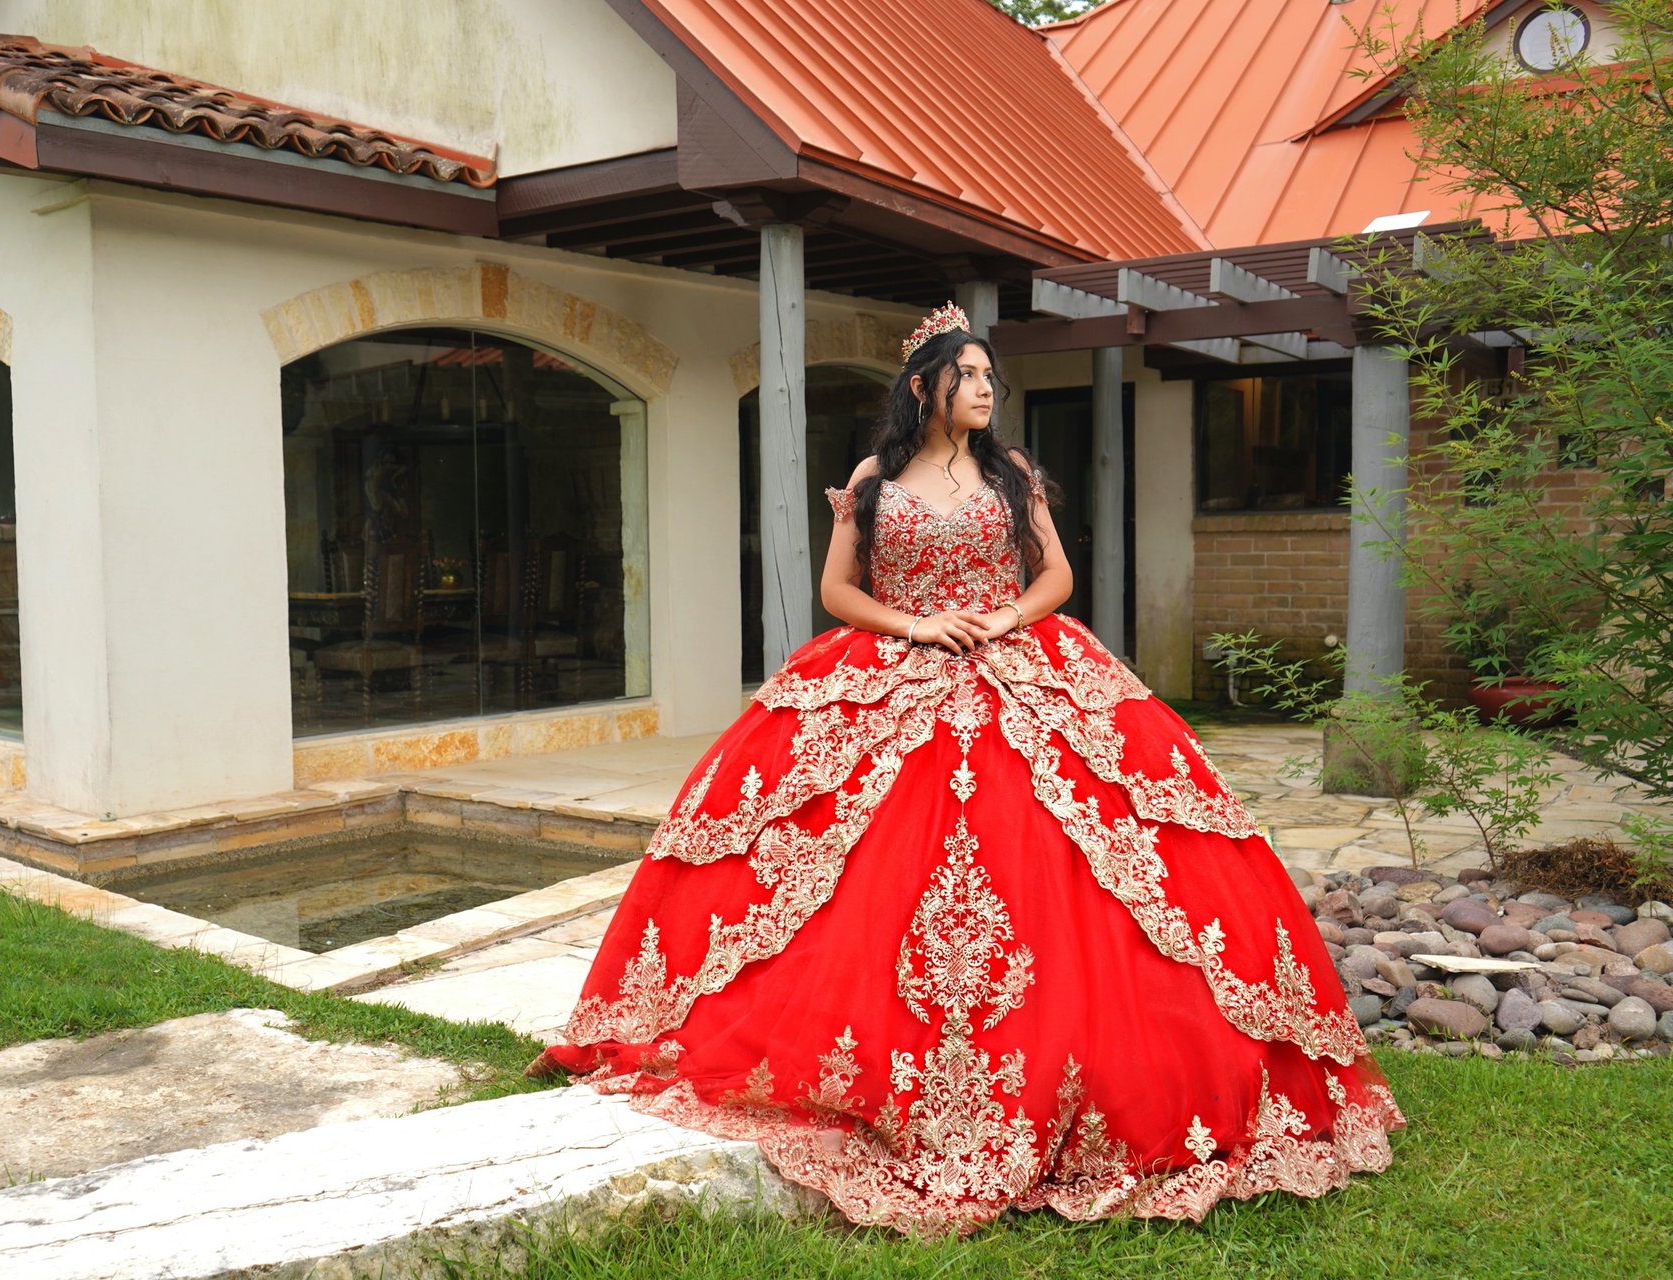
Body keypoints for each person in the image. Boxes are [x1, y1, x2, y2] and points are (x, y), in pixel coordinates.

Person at [528, 303, 1404, 1235]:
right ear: (924, 386)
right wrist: (914, 626)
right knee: (832, 862)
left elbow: (1058, 576)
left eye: (992, 377)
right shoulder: (871, 478)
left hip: (1015, 658)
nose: (988, 390)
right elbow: (837, 591)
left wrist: (1006, 618)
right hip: (898, 663)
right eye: (971, 375)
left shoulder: (1008, 473)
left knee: (1082, 855)